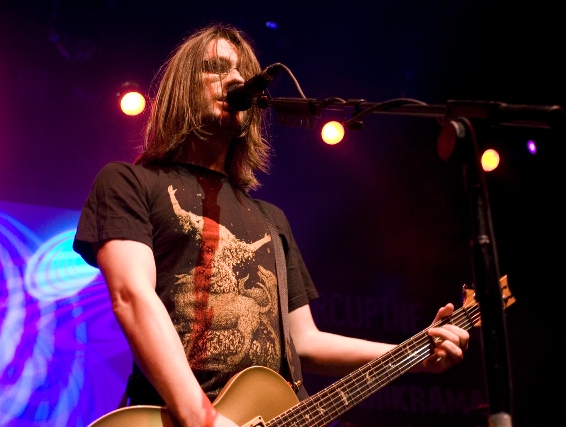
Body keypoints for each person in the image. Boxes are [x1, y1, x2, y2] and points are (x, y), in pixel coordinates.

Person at [73, 23, 469, 427]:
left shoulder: (270, 218)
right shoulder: (129, 182)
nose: (234, 79)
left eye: (242, 73)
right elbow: (132, 296)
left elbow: (304, 342)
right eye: (216, 67)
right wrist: (203, 417)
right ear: (181, 86)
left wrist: (414, 353)